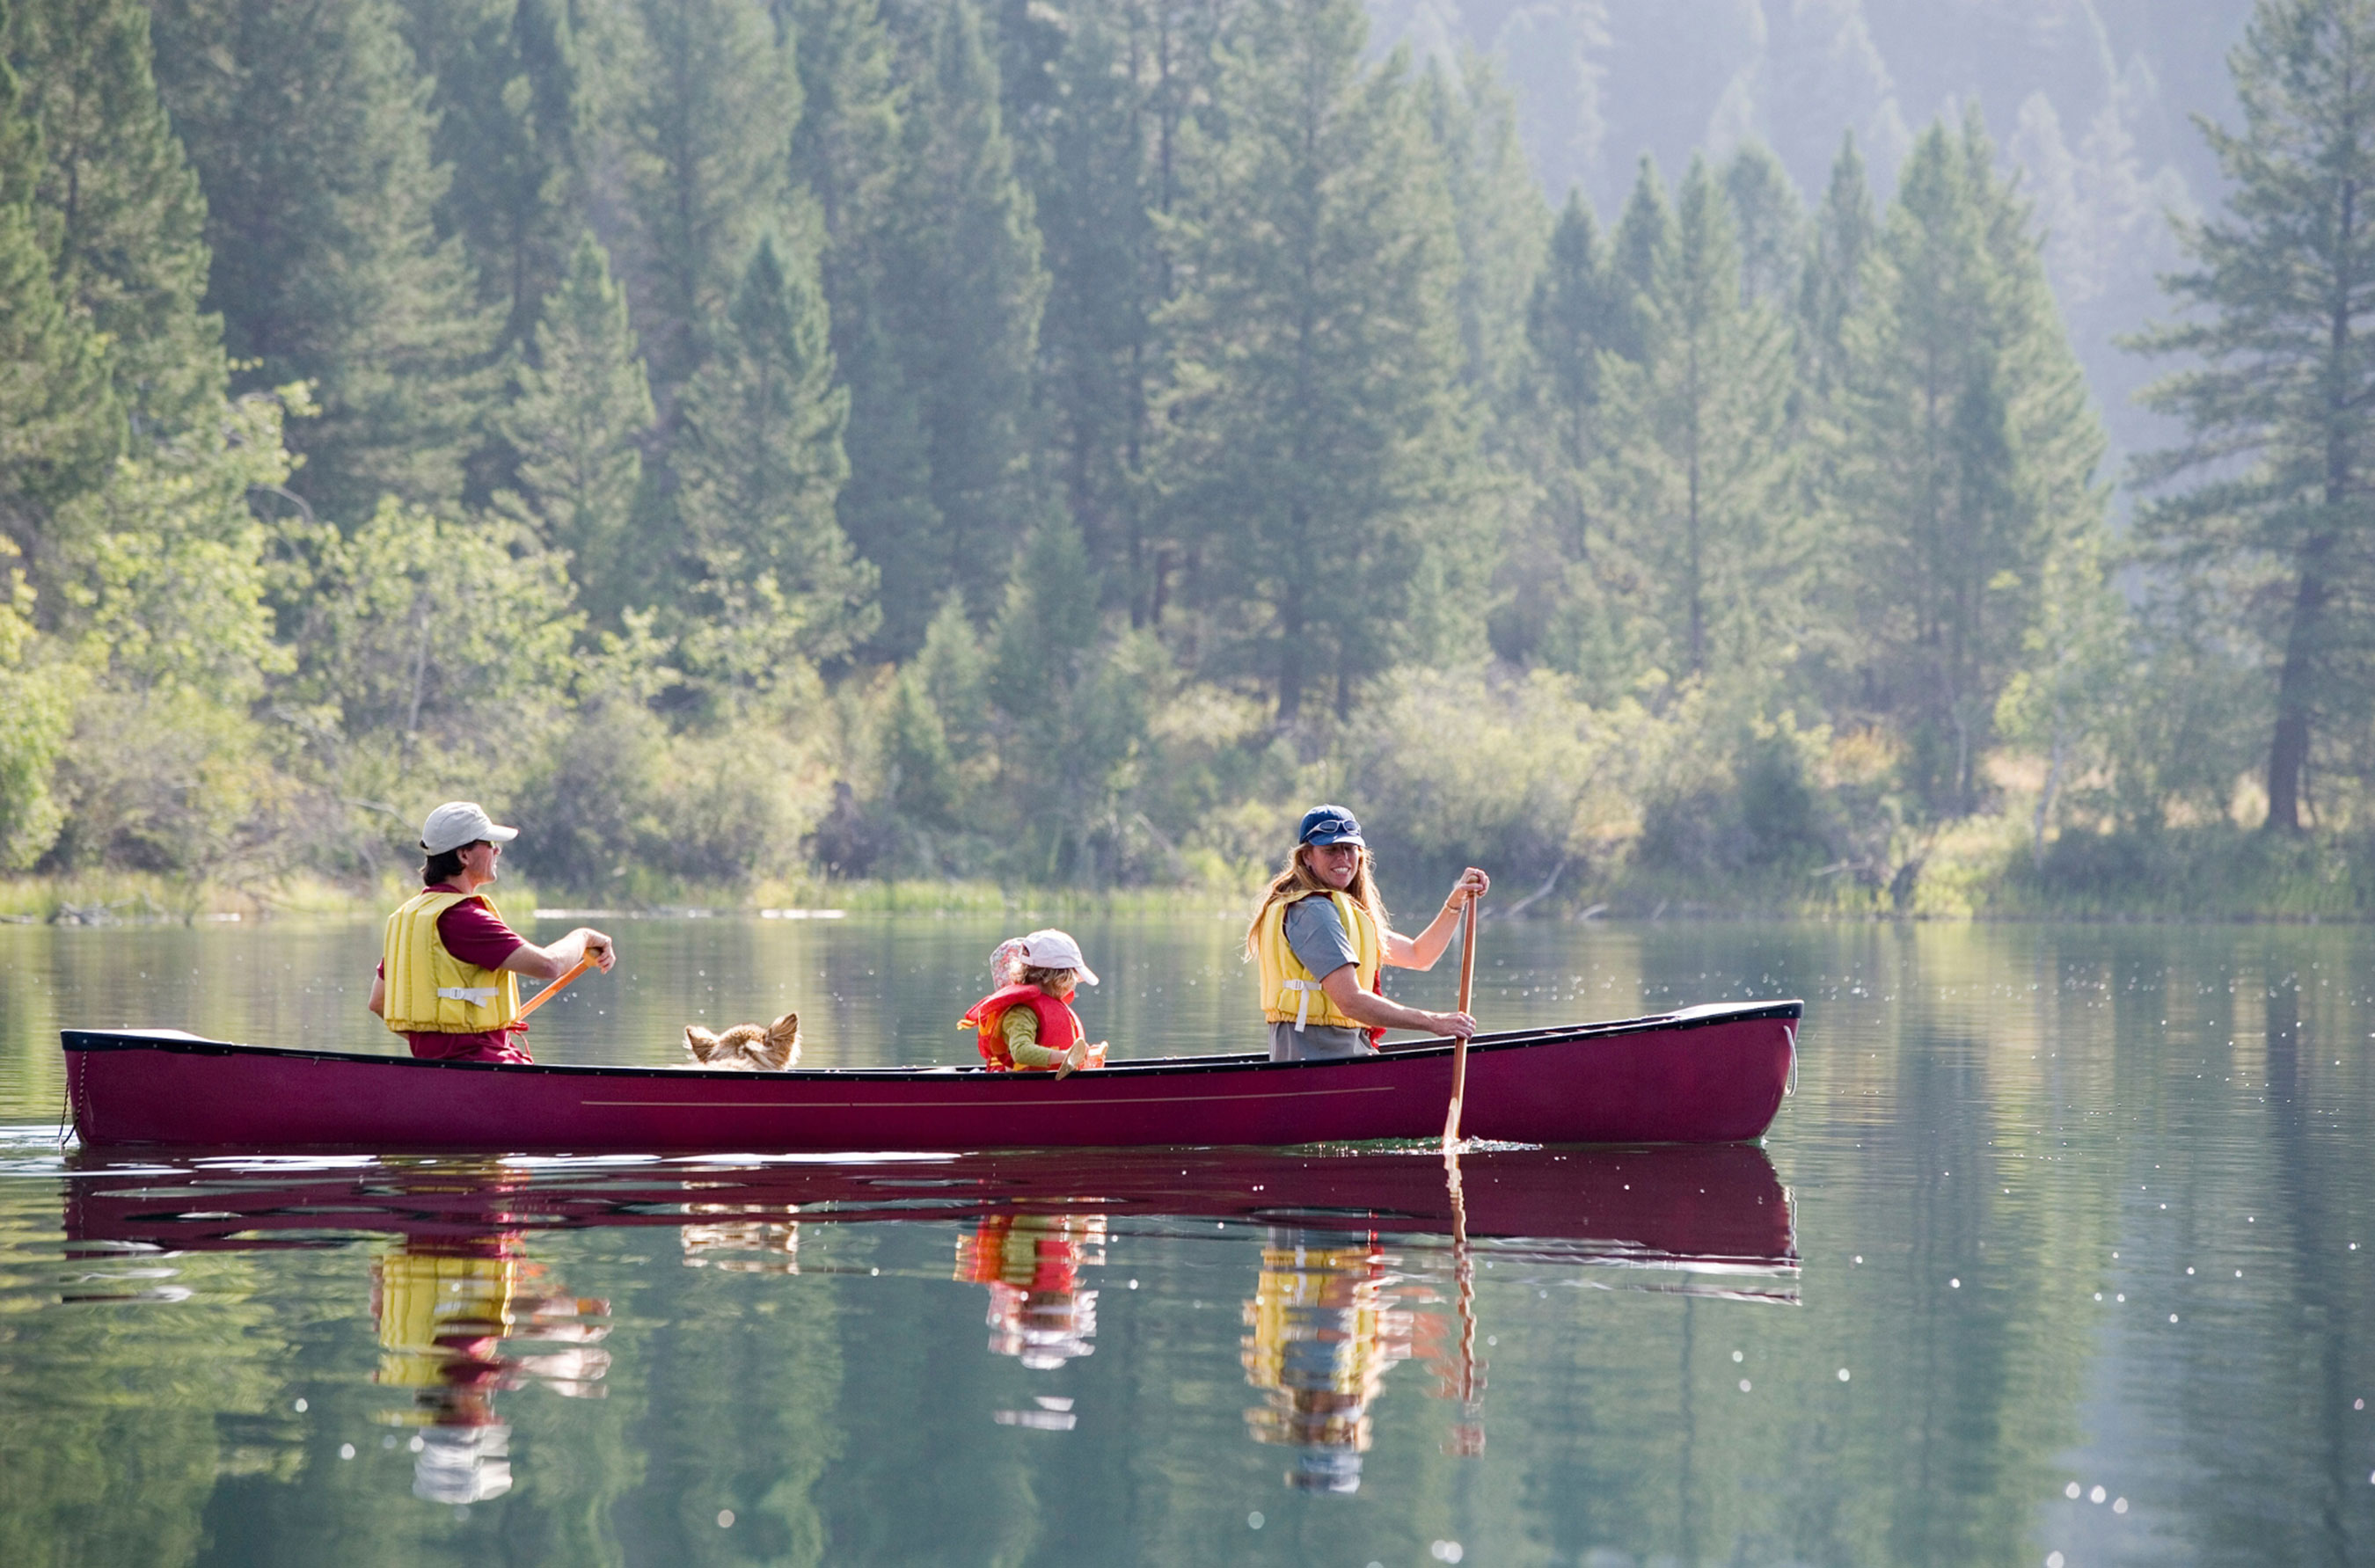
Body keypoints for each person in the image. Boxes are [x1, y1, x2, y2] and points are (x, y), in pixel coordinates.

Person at [367, 801, 616, 1065]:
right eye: (488, 843)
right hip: (485, 1064)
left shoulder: (412, 916)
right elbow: (550, 966)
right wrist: (584, 936)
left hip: (437, 1067)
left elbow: (378, 1001)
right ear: (464, 855)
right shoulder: (464, 918)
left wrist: (435, 1041)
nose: (497, 850)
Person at [1247, 805, 1488, 1061]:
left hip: (1345, 1049)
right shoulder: (1312, 911)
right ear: (1307, 856)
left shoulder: (1336, 911)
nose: (1343, 858)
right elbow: (1351, 1001)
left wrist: (1456, 902)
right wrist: (1433, 1022)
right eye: (1330, 850)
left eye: (1349, 848)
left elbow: (1420, 955)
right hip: (1320, 1054)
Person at [959, 929, 1108, 1072]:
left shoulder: (1043, 1006)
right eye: (1073, 979)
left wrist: (1085, 1058)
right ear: (1059, 979)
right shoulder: (1022, 1012)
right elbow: (1021, 1052)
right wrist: (1065, 1056)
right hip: (1013, 1087)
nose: (1073, 986)